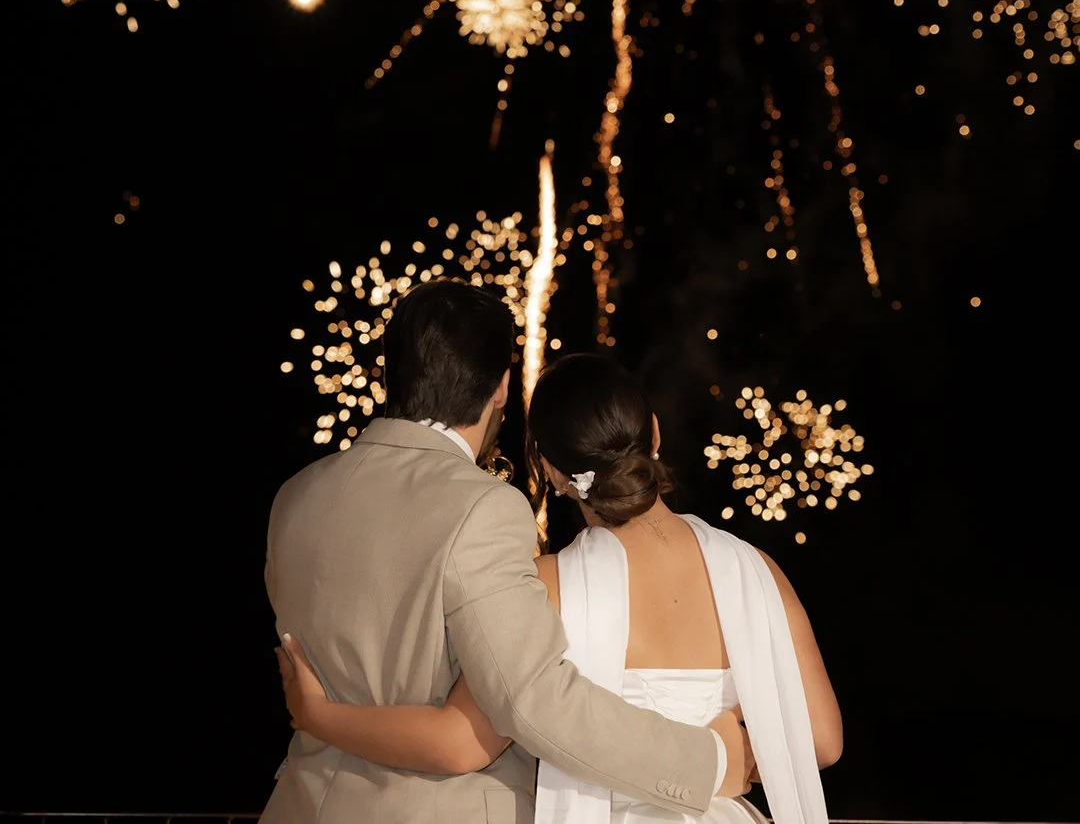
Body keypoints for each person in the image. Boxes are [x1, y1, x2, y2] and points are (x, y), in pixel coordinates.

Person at [275, 347, 843, 824]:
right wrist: (731, 752)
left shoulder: (546, 585)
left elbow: (465, 740)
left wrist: (317, 713)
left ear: (548, 468)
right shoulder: (757, 569)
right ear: (654, 432)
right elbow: (822, 740)